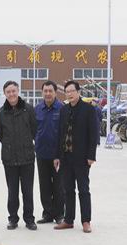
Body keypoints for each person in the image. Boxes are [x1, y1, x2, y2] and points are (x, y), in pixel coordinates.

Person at [54, 80, 98, 233]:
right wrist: (57, 156)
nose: (69, 94)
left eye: (72, 91)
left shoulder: (88, 109)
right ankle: (68, 220)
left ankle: (86, 221)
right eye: (67, 92)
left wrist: (91, 156)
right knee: (68, 190)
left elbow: (93, 134)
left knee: (83, 189)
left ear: (78, 92)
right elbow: (60, 134)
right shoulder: (64, 110)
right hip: (66, 157)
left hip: (82, 157)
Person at [0, 81, 38, 231]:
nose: (11, 94)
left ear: (18, 91)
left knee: (28, 191)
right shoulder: (0, 112)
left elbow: (34, 129)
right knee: (12, 192)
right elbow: (0, 133)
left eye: (14, 91)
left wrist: (25, 143)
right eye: (8, 92)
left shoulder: (28, 109)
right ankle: (13, 219)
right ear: (5, 94)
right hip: (9, 158)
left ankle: (29, 219)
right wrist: (9, 145)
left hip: (27, 158)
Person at [34, 80, 64, 224]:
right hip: (41, 153)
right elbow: (33, 129)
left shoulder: (62, 109)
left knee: (58, 186)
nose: (47, 93)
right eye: (45, 91)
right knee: (44, 186)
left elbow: (65, 133)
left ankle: (59, 215)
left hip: (58, 156)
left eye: (50, 91)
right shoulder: (37, 109)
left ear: (55, 92)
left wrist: (59, 154)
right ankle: (47, 214)